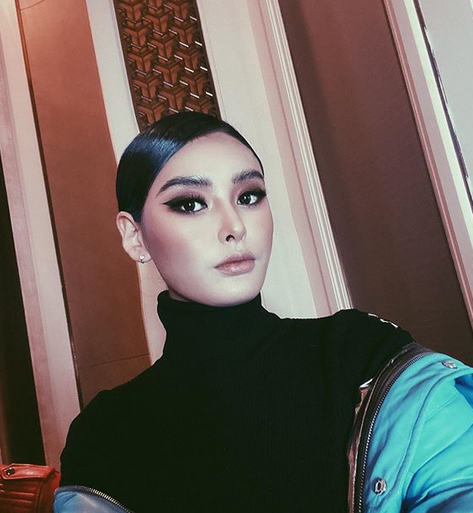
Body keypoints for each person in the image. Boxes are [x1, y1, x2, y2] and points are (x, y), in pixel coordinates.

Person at [54, 112, 473, 513]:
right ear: (134, 236)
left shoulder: (360, 353)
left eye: (248, 196)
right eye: (190, 204)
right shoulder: (106, 431)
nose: (235, 226)